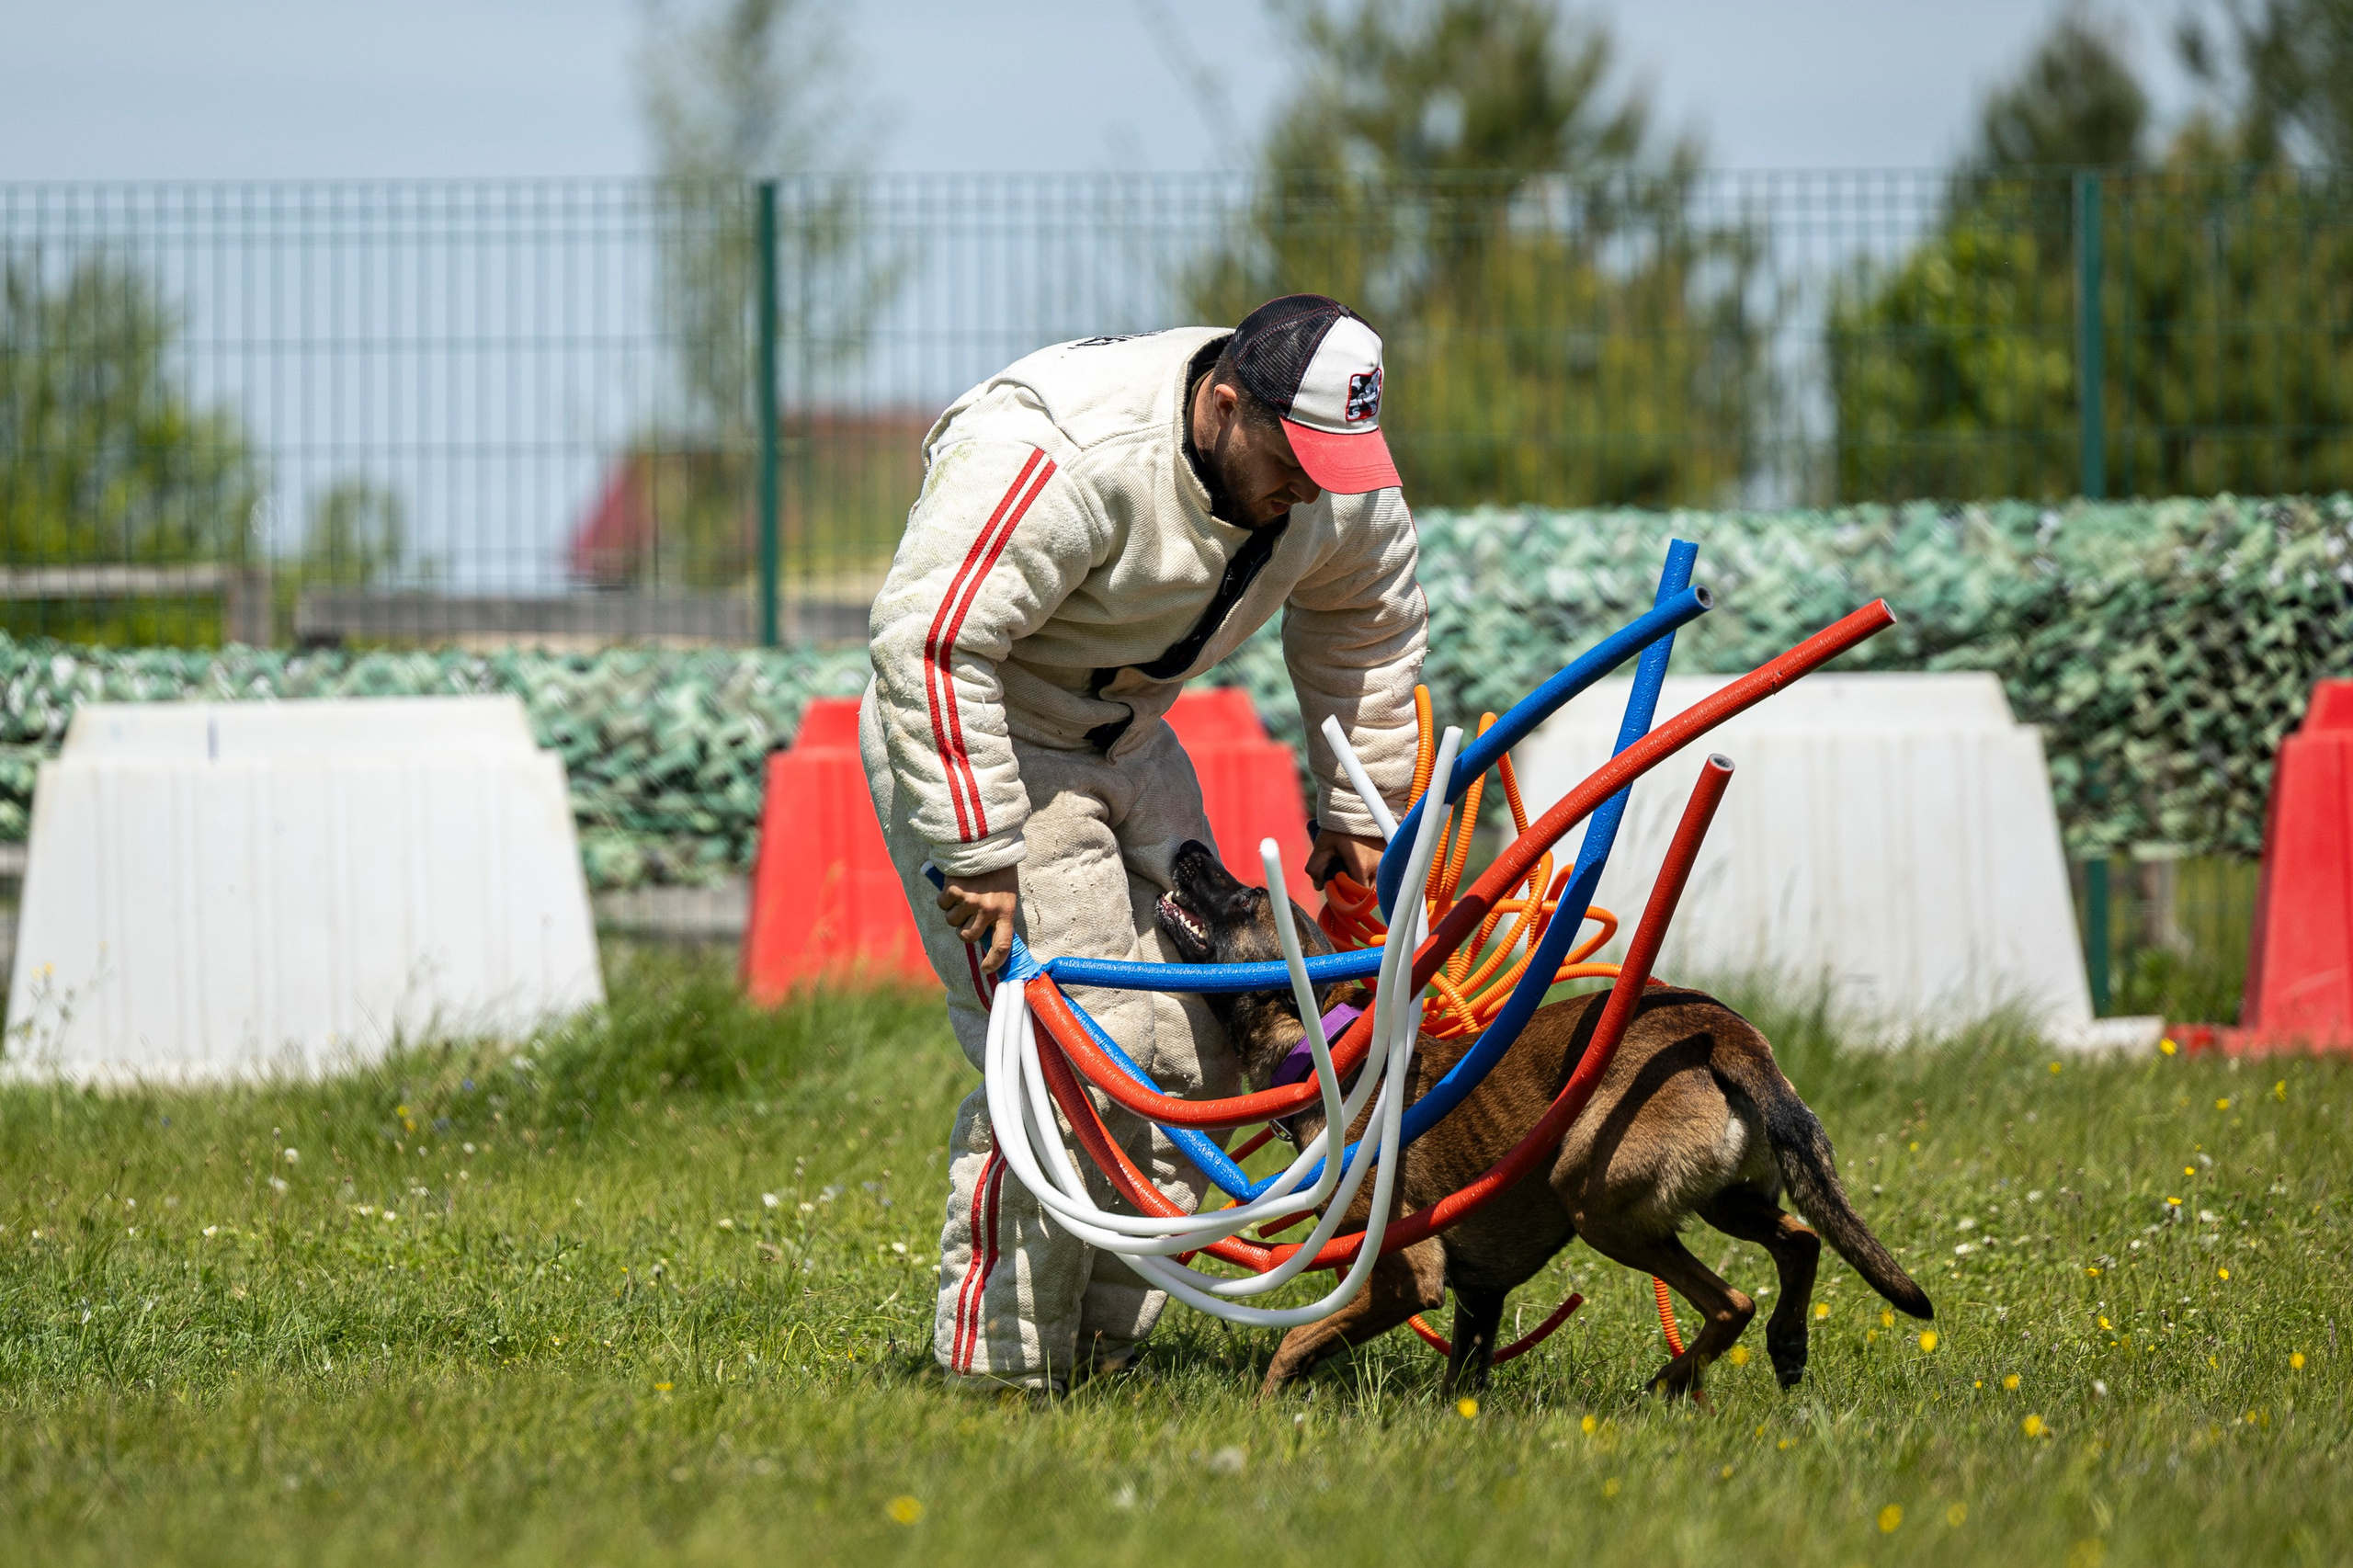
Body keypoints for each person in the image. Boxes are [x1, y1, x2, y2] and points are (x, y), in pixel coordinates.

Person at [860, 293, 1427, 1392]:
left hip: (1132, 740)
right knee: (1075, 1058)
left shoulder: (1334, 472)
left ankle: (1100, 1353)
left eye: (1333, 465)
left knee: (1201, 1048)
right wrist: (977, 844)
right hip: (989, 735)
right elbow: (929, 640)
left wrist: (1358, 807)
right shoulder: (1062, 452)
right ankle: (999, 1372)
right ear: (1225, 405)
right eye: (1291, 461)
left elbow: (1366, 618)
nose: (1311, 490)